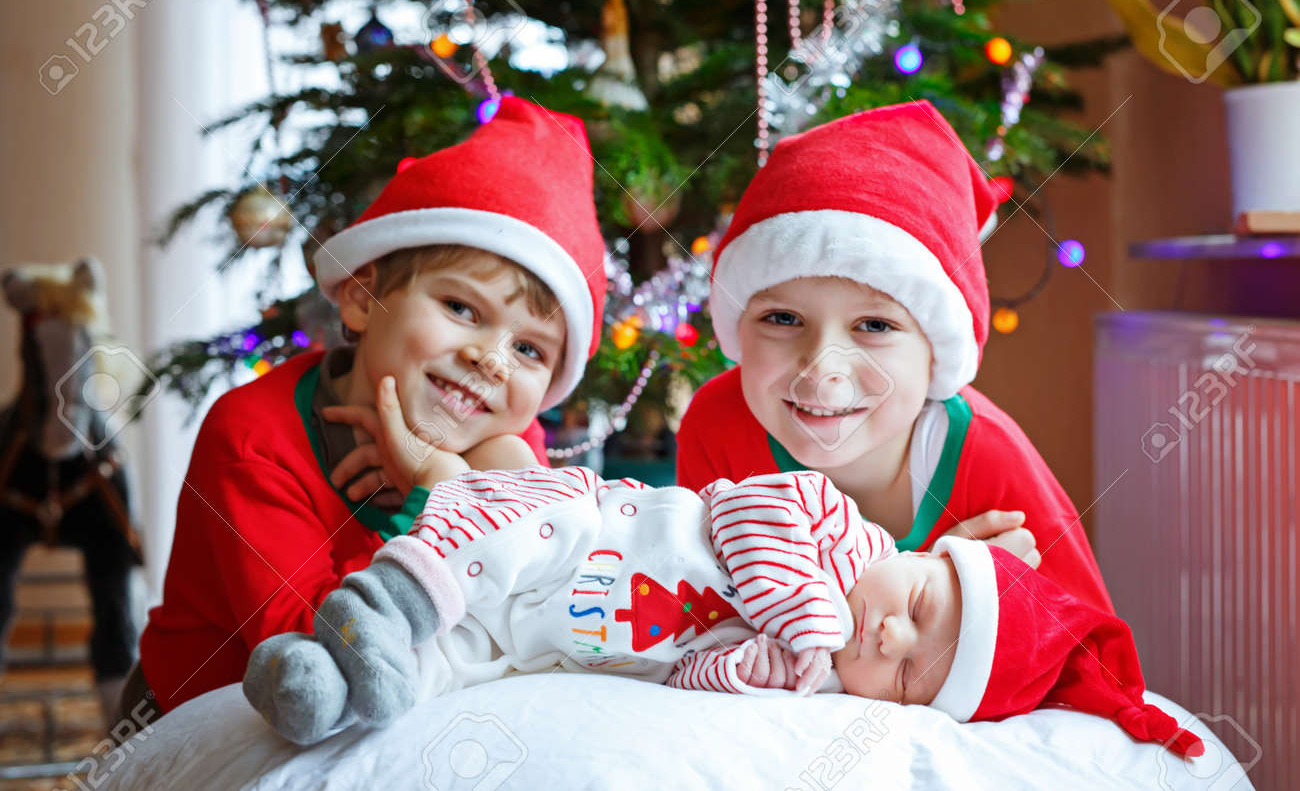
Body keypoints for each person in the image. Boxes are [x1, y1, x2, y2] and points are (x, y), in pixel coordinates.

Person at [243, 380, 1202, 763]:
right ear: (919, 556)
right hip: (587, 536)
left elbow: (696, 675)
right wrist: (805, 620)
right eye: (916, 603)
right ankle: (382, 602)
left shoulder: (821, 682)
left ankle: (322, 686)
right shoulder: (837, 528)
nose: (889, 634)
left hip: (560, 639)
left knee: (451, 665)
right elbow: (744, 512)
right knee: (493, 540)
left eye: (912, 671)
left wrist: (766, 669)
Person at [127, 97, 607, 719]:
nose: (493, 361)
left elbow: (550, 617)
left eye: (529, 349)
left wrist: (492, 480)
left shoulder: (506, 448)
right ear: (360, 299)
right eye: (462, 309)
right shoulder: (254, 437)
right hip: (208, 716)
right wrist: (437, 498)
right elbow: (320, 654)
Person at [675, 100, 1112, 612]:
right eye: (783, 318)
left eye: (875, 326)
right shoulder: (717, 428)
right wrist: (918, 591)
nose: (823, 371)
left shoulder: (989, 463)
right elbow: (699, 624)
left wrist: (988, 615)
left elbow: (1098, 653)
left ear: (935, 353)